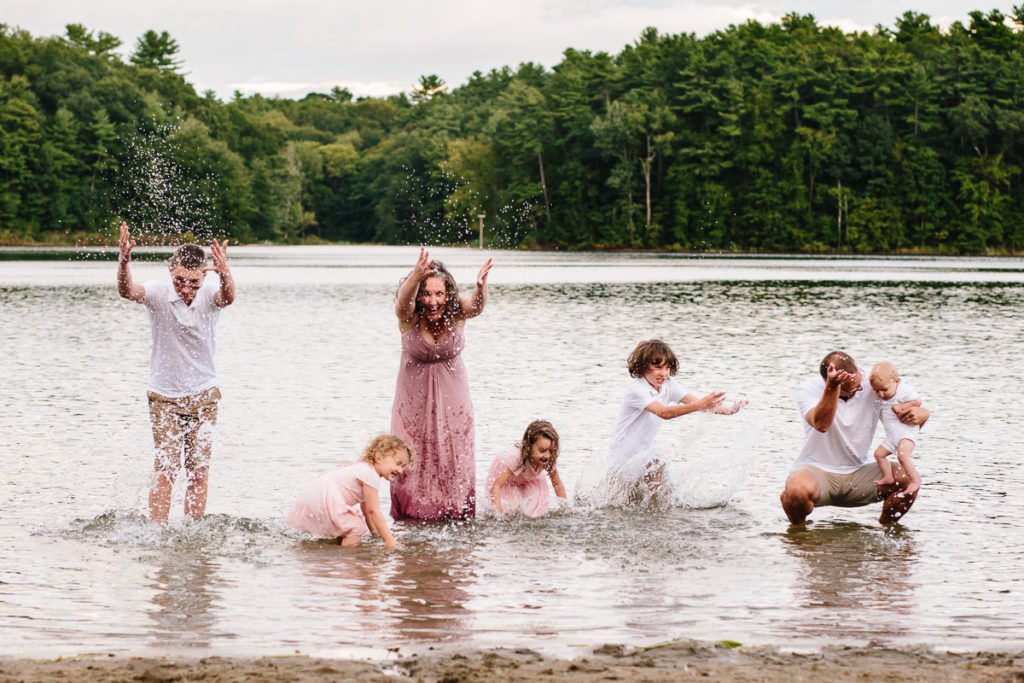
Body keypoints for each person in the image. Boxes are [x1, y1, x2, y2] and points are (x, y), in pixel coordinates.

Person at [117, 221, 235, 523]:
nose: (186, 289)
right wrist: (124, 263)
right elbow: (127, 291)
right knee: (167, 468)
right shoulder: (158, 292)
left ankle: (193, 531)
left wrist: (225, 274)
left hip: (204, 396)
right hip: (164, 397)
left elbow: (229, 297)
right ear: (171, 270)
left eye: (193, 282)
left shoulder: (210, 294)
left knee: (198, 471)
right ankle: (157, 531)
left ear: (204, 275)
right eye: (181, 280)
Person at [390, 248, 493, 520]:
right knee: (410, 458)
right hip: (412, 401)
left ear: (447, 295)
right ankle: (412, 520)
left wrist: (481, 287)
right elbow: (401, 303)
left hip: (454, 398)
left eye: (439, 294)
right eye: (426, 293)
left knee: (454, 454)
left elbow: (477, 307)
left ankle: (456, 513)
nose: (433, 301)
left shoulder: (455, 312)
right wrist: (416, 275)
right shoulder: (409, 316)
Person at [780, 351, 929, 526]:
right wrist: (832, 387)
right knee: (796, 492)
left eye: (857, 385)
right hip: (817, 471)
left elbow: (905, 413)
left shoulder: (873, 382)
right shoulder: (809, 389)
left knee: (907, 479)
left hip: (860, 473)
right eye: (848, 389)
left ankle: (886, 529)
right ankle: (799, 535)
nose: (857, 390)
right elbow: (821, 424)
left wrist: (923, 414)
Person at [608, 339, 746, 505]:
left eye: (667, 368)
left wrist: (730, 410)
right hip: (622, 461)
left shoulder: (668, 385)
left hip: (645, 456)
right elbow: (664, 413)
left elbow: (699, 404)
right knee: (620, 507)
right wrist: (700, 404)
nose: (664, 373)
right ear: (643, 366)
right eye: (658, 367)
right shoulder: (637, 389)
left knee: (661, 483)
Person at [285, 434, 413, 548]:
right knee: (356, 528)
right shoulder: (371, 475)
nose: (400, 470)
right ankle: (346, 558)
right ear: (379, 457)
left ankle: (336, 547)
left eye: (403, 466)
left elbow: (366, 510)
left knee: (349, 527)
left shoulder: (364, 468)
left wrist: (374, 533)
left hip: (315, 491)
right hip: (327, 495)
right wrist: (389, 540)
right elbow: (374, 511)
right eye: (398, 463)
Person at [483, 420, 567, 519]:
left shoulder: (548, 460)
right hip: (508, 479)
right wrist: (498, 514)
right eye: (542, 450)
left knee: (538, 509)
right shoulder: (516, 459)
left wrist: (565, 509)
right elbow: (496, 486)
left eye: (551, 451)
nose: (547, 455)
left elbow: (557, 484)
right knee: (511, 509)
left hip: (530, 477)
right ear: (529, 447)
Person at [869, 362, 922, 496]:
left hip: (906, 432)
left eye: (884, 390)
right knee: (879, 455)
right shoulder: (883, 391)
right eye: (876, 391)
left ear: (896, 381)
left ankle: (915, 480)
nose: (880, 394)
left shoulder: (903, 390)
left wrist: (903, 407)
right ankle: (888, 477)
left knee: (902, 456)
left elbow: (918, 402)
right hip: (892, 435)